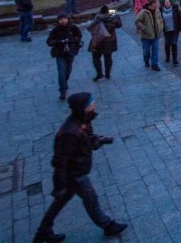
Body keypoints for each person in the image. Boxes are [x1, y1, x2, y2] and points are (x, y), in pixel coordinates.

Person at [32, 93, 127, 242]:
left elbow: (85, 141)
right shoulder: (70, 131)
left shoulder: (83, 121)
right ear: (84, 107)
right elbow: (60, 160)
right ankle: (108, 225)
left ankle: (43, 231)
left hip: (77, 169)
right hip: (74, 173)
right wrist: (59, 185)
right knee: (90, 198)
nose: (94, 102)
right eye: (91, 102)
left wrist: (98, 140)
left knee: (60, 202)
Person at [47, 13, 84, 101]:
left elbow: (79, 36)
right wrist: (59, 42)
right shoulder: (55, 30)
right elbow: (49, 42)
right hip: (60, 54)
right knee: (61, 72)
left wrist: (73, 40)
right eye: (61, 19)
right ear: (58, 21)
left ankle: (65, 82)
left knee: (68, 71)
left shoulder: (73, 28)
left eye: (64, 19)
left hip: (70, 53)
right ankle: (63, 91)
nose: (63, 21)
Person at [87, 6, 122, 81]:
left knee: (96, 58)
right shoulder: (113, 19)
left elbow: (89, 27)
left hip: (98, 41)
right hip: (110, 41)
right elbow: (119, 25)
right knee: (108, 57)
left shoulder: (98, 18)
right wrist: (116, 15)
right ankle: (107, 74)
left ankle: (99, 74)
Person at [135, 0, 163, 71]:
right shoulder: (144, 12)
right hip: (146, 36)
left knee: (155, 51)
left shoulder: (157, 11)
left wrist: (161, 26)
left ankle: (154, 65)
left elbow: (160, 19)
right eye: (156, 3)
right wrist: (144, 28)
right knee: (146, 51)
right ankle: (146, 60)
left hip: (156, 35)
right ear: (152, 4)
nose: (158, 4)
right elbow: (137, 21)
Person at [160, 0, 181, 66]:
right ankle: (167, 57)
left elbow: (180, 18)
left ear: (171, 3)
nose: (167, 4)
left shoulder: (176, 9)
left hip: (174, 30)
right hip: (166, 30)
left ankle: (175, 60)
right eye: (166, 2)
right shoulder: (161, 10)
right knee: (167, 43)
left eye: (168, 2)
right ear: (164, 3)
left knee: (174, 44)